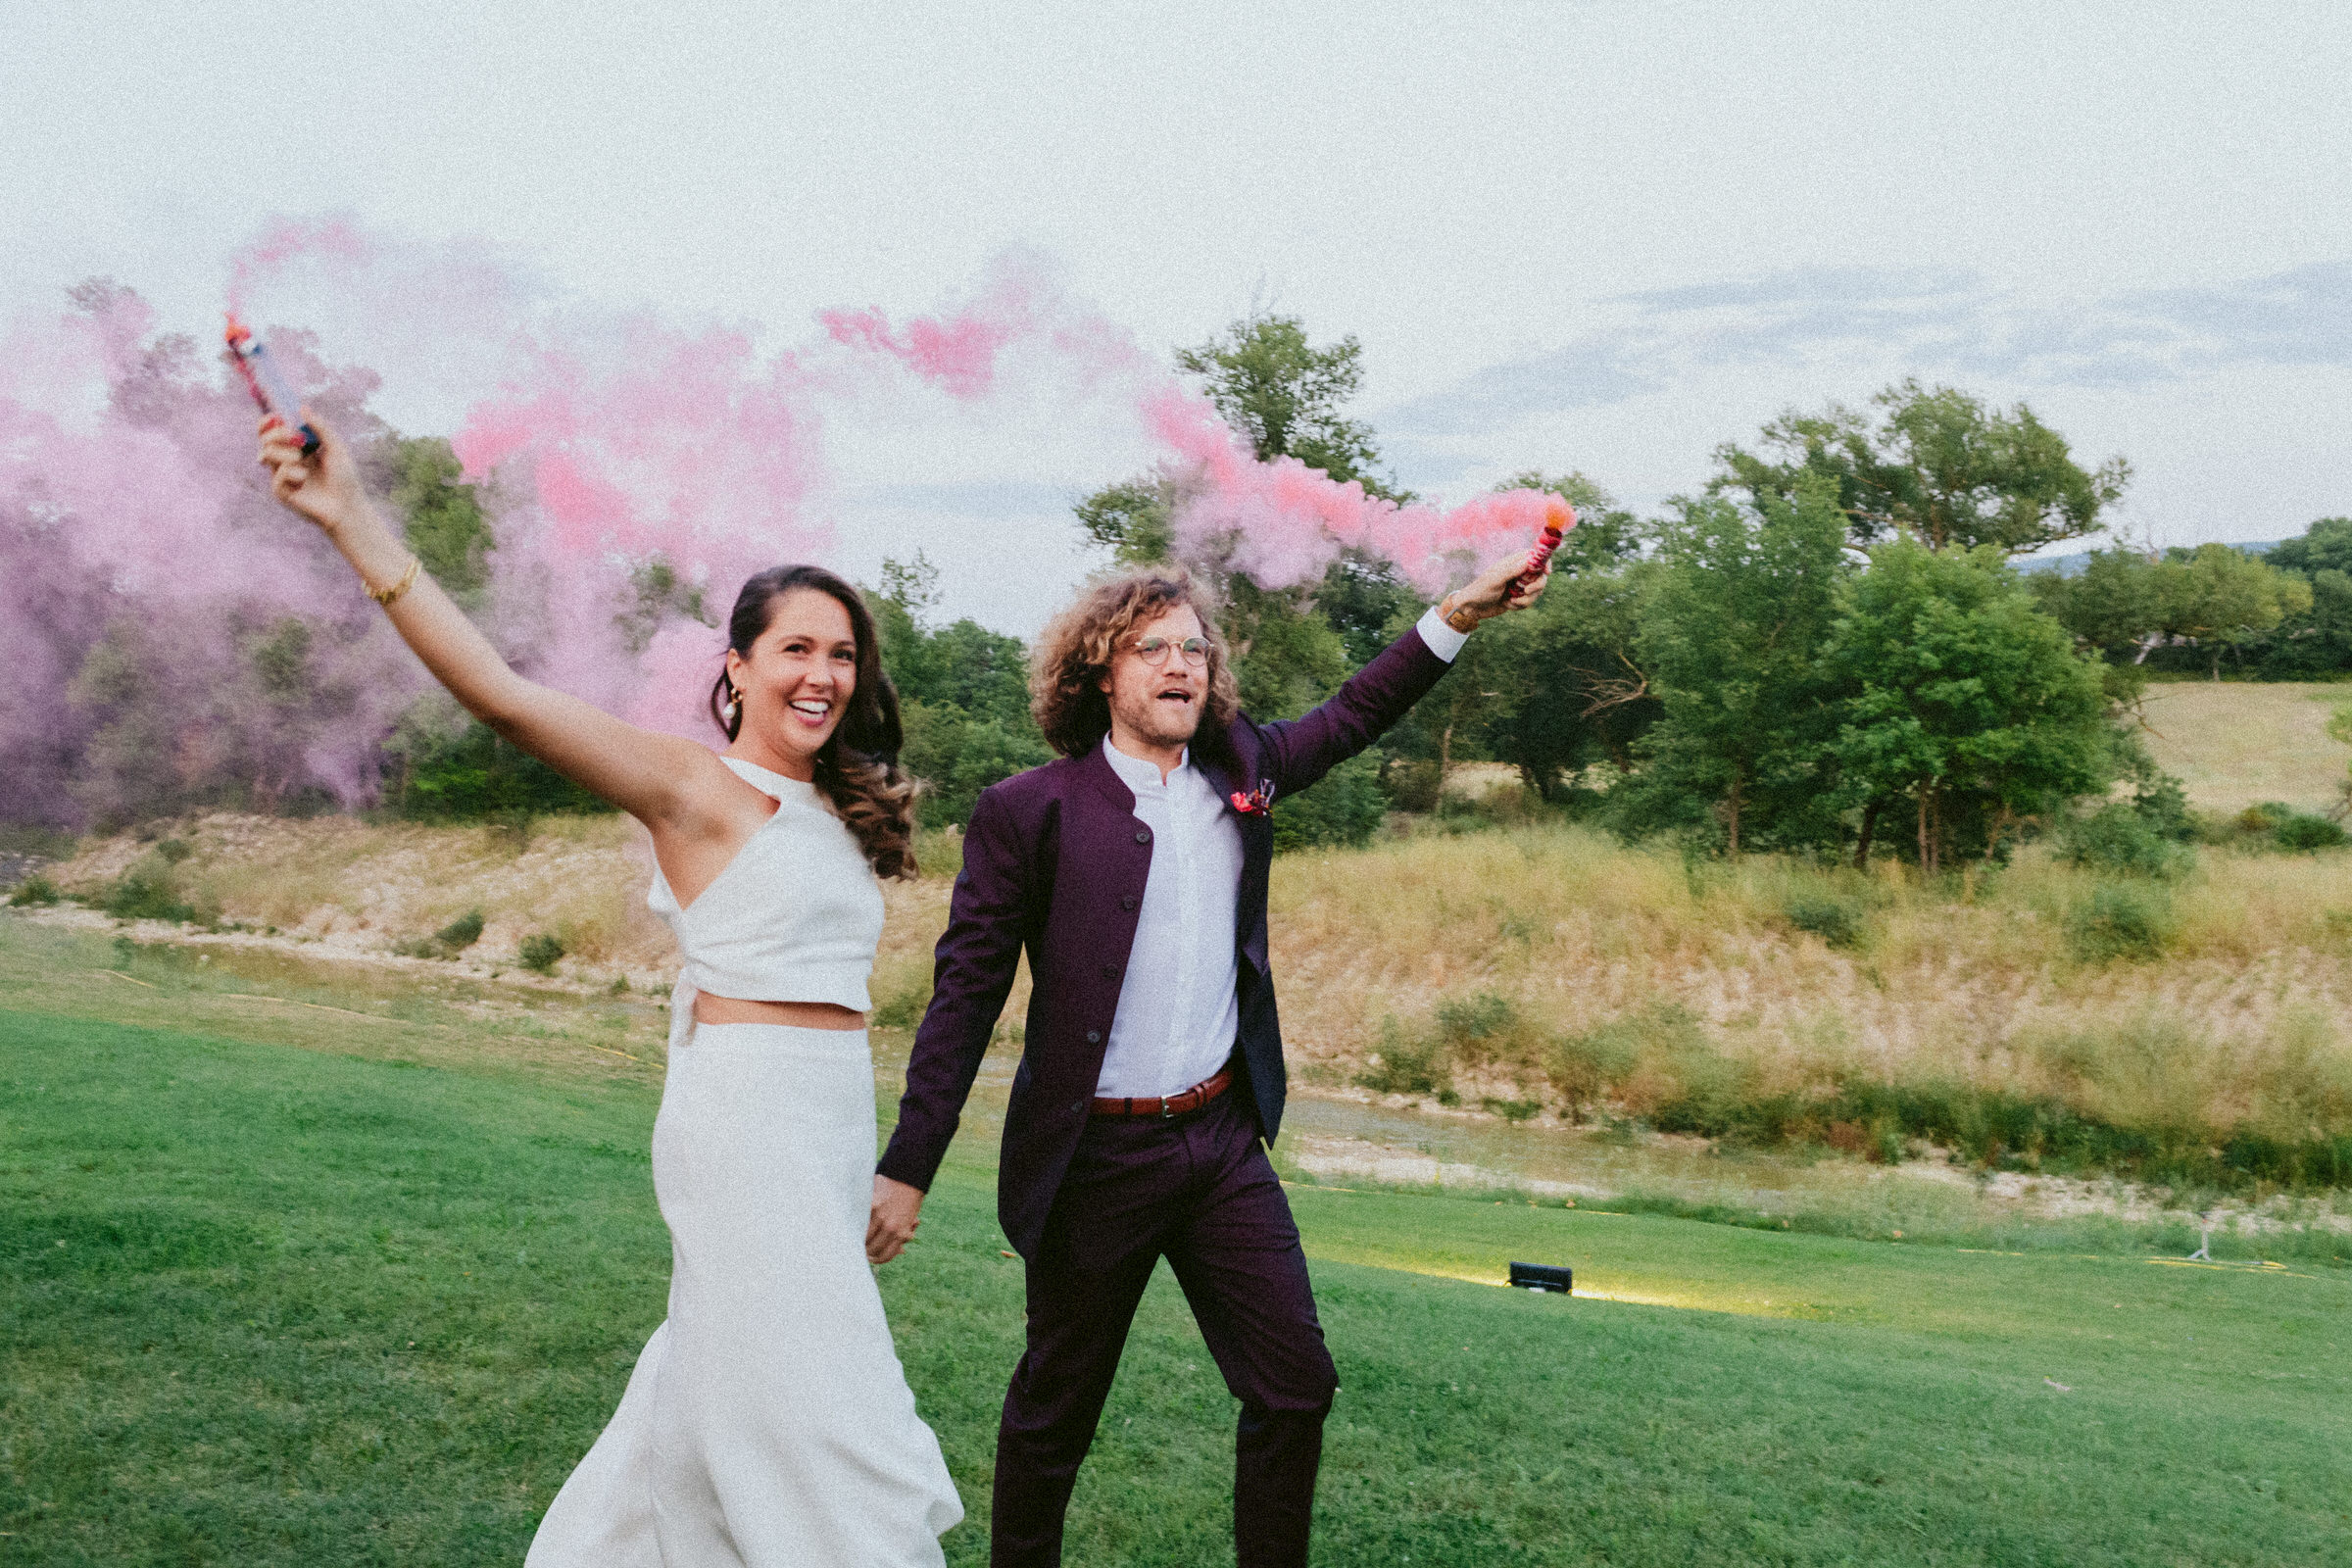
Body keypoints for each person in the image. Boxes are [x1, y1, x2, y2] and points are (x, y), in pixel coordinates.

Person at [256, 412, 962, 1567]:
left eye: (842, 654)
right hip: (745, 1127)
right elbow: (501, 693)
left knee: (711, 1388)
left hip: (826, 1119)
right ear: (737, 666)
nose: (825, 674)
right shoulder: (693, 786)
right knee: (827, 1405)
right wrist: (351, 516)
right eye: (796, 648)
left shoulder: (840, 807)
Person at [866, 555, 1547, 1566]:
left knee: (1294, 1384)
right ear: (1101, 670)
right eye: (1153, 649)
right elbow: (965, 999)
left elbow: (1359, 709)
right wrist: (909, 1164)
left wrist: (1458, 612)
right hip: (1095, 1160)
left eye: (1194, 648)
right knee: (1055, 1412)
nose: (1180, 664)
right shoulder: (1030, 810)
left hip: (1222, 1143)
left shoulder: (1245, 770)